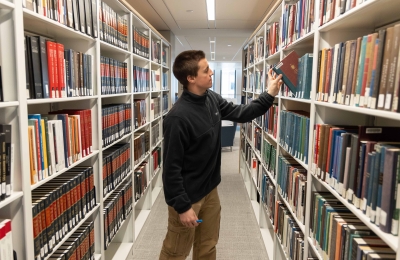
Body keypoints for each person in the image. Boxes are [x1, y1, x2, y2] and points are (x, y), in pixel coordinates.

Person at [159, 50, 282, 260]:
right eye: (206, 70)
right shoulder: (177, 118)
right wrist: (183, 207)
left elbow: (242, 113)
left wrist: (269, 94)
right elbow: (170, 170)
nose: (211, 72)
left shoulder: (211, 98)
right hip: (189, 198)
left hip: (210, 192)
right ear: (190, 78)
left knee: (207, 246)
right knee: (175, 252)